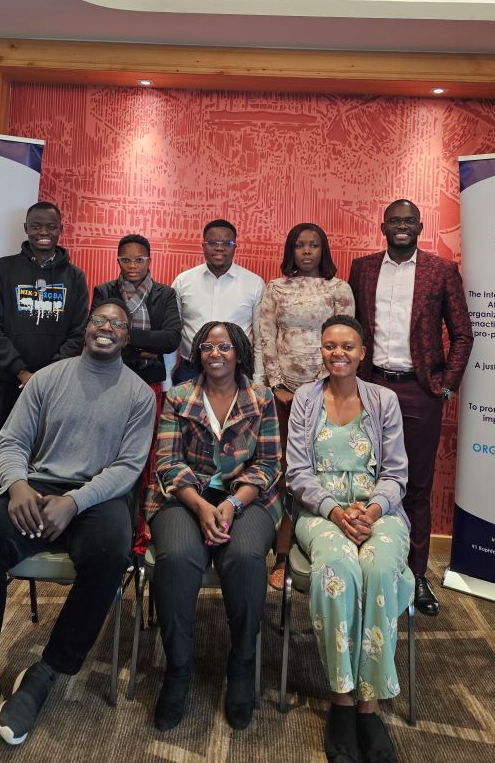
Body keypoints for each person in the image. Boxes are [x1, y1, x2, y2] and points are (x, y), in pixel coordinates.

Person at [0, 300, 154, 760]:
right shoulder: (47, 379)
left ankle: (46, 672)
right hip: (37, 486)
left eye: (118, 324)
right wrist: (18, 485)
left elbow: (128, 467)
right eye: (99, 320)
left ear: (127, 337)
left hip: (97, 496)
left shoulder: (139, 395)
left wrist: (75, 502)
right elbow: (12, 441)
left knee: (111, 553)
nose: (106, 328)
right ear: (87, 328)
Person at [287, 315, 414, 763]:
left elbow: (396, 474)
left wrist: (371, 511)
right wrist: (337, 513)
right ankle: (342, 698)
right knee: (338, 570)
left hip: (378, 511)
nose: (337, 353)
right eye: (329, 346)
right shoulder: (305, 399)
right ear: (320, 351)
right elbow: (297, 473)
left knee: (378, 568)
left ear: (362, 353)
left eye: (347, 346)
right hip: (321, 512)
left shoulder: (384, 400)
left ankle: (369, 705)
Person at [144, 321, 281, 733]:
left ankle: (242, 665)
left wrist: (233, 503)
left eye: (224, 347)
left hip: (246, 497)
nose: (215, 353)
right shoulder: (179, 396)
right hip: (184, 497)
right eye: (207, 347)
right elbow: (167, 461)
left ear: (239, 352)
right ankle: (178, 668)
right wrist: (202, 505)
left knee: (245, 558)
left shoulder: (261, 398)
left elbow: (269, 464)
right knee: (177, 558)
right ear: (197, 353)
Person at [0, 202, 89, 592]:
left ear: (61, 228)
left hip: (57, 391)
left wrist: (44, 378)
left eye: (51, 226)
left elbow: (79, 333)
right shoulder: (4, 270)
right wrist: (21, 372)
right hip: (7, 387)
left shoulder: (75, 277)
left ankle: (52, 548)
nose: (44, 232)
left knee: (54, 468)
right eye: (36, 226)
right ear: (26, 228)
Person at [348, 199, 473, 616]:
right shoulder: (363, 269)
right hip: (369, 385)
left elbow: (462, 334)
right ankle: (368, 568)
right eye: (394, 221)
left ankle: (416, 574)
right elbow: (352, 327)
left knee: (416, 485)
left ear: (419, 227)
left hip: (420, 390)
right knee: (366, 477)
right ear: (383, 226)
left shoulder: (441, 270)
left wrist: (446, 385)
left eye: (409, 221)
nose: (401, 226)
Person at [257, 223, 355, 589]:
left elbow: (345, 339)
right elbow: (266, 337)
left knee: (322, 469)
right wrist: (277, 385)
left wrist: (319, 388)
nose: (307, 251)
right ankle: (281, 555)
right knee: (285, 473)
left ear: (323, 249)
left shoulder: (338, 288)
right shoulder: (276, 288)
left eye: (314, 245)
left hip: (327, 394)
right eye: (300, 245)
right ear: (291, 250)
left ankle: (320, 546)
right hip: (283, 396)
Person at [92, 233, 181, 552]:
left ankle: (143, 527)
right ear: (118, 261)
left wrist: (124, 337)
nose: (133, 265)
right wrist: (143, 345)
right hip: (110, 382)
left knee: (147, 454)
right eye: (126, 259)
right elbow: (98, 336)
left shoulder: (165, 294)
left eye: (139, 259)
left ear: (149, 260)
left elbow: (170, 339)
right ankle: (112, 526)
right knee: (111, 453)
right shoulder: (104, 291)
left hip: (150, 385)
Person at [168, 219, 265, 384]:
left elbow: (260, 339)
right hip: (191, 369)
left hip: (237, 370)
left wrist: (259, 379)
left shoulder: (254, 283)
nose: (219, 248)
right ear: (203, 246)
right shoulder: (183, 281)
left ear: (235, 247)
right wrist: (168, 377)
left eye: (227, 243)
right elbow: (173, 333)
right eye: (212, 243)